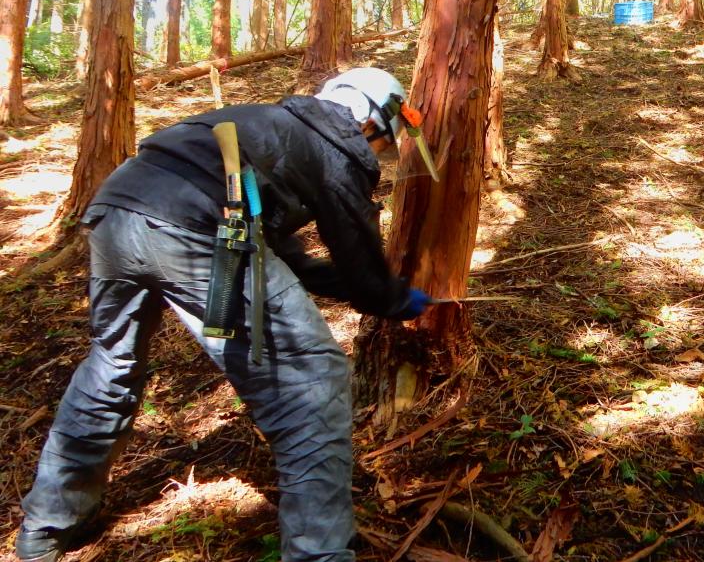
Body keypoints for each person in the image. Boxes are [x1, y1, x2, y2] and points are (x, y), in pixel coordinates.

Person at [15, 67, 435, 562]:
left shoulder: (272, 127)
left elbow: (292, 260)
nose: (378, 150)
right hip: (193, 225)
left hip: (117, 212)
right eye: (383, 138)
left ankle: (44, 526)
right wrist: (389, 298)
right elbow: (357, 255)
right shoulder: (336, 144)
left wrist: (367, 292)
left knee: (112, 364)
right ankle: (319, 552)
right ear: (368, 117)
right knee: (313, 376)